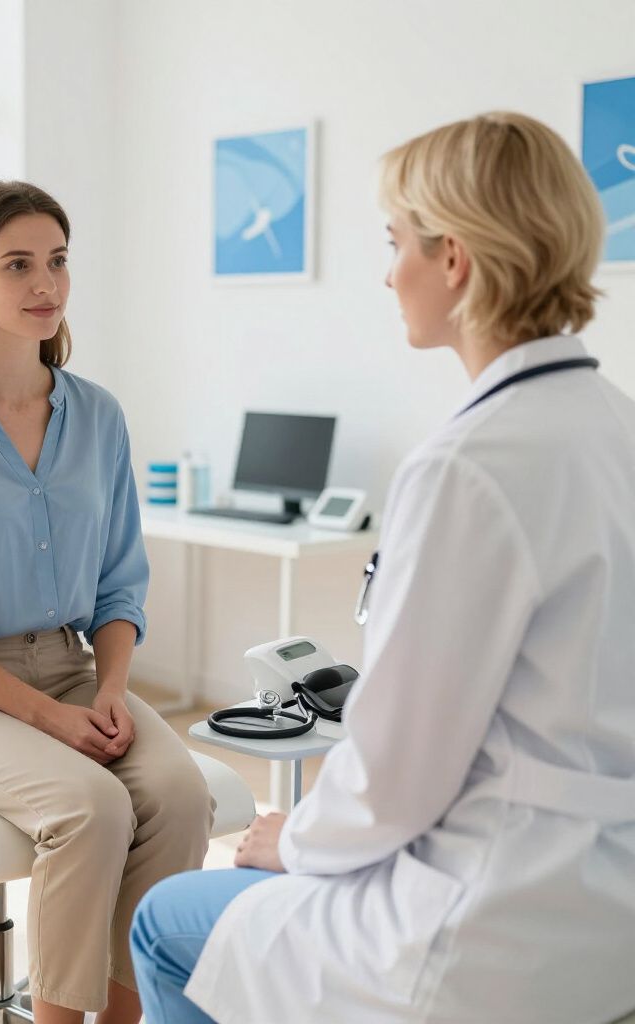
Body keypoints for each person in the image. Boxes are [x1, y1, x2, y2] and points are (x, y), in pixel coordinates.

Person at [130, 111, 635, 1024]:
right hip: (611, 910)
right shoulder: (615, 426)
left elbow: (395, 778)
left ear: (457, 261)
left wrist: (292, 840)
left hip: (491, 924)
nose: (387, 270)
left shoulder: (468, 467)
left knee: (168, 922)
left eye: (396, 241)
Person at [0, 180, 213, 1024]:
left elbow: (120, 582)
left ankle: (130, 1017)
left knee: (180, 794)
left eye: (57, 261)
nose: (45, 284)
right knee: (91, 806)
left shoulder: (97, 415)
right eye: (17, 264)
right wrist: (48, 719)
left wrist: (104, 691)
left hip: (75, 672)